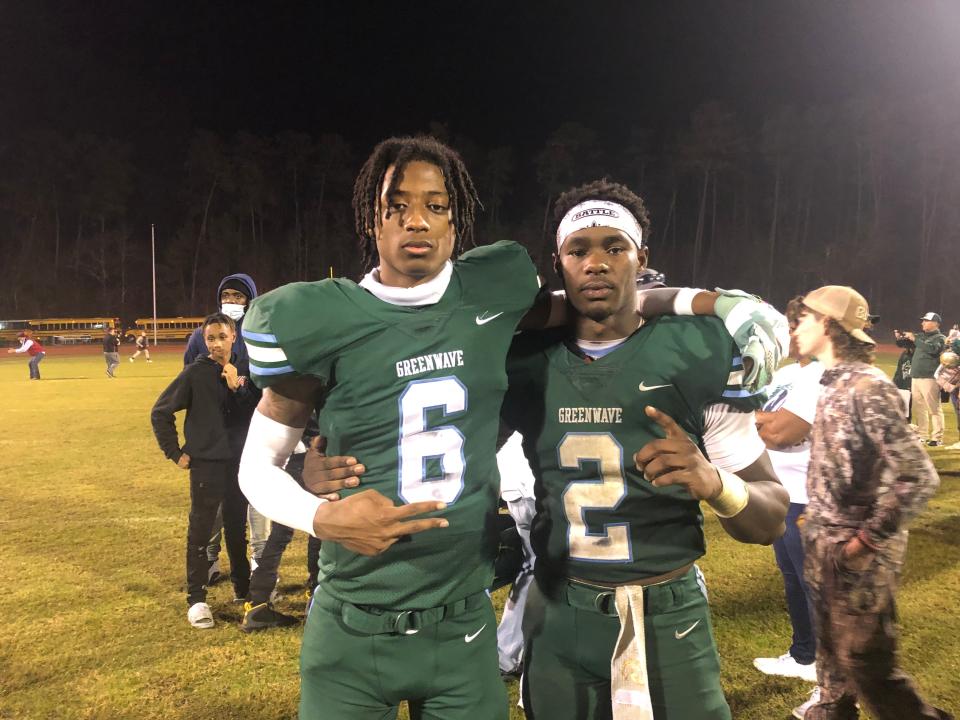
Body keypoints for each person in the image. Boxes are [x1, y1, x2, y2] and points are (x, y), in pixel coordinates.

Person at [238, 137, 786, 720]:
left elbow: (604, 304)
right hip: (370, 617)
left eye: (437, 205)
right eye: (395, 205)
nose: (416, 220)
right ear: (369, 218)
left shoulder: (496, 299)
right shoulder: (327, 317)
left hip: (473, 624)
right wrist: (316, 498)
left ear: (458, 219)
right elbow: (262, 463)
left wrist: (714, 304)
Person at [499, 180, 788, 720]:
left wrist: (716, 484)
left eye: (615, 246)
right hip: (557, 610)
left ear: (642, 257)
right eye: (578, 250)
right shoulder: (523, 362)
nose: (597, 263)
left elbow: (770, 518)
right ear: (559, 264)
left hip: (665, 612)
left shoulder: (697, 354)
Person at [791, 286, 951, 720]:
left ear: (828, 324)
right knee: (832, 667)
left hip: (857, 556)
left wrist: (864, 543)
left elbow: (918, 477)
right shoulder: (831, 384)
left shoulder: (867, 388)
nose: (797, 327)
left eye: (805, 318)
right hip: (826, 543)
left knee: (870, 670)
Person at [151, 312, 259, 628]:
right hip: (206, 467)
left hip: (238, 464)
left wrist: (236, 386)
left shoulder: (244, 373)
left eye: (222, 337)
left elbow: (255, 411)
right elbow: (160, 412)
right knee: (200, 531)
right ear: (204, 340)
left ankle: (243, 589)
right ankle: (197, 600)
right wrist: (175, 453)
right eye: (210, 338)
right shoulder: (194, 374)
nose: (216, 343)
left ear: (234, 337)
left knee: (237, 529)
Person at [752, 297, 823, 686]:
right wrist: (762, 420)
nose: (788, 334)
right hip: (783, 491)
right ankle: (804, 656)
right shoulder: (785, 375)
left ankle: (833, 672)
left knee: (815, 585)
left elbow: (782, 433)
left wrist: (760, 421)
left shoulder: (824, 374)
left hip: (812, 496)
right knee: (794, 579)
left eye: (795, 326)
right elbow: (752, 415)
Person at [184, 273, 265, 581]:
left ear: (250, 299)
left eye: (239, 296)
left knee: (256, 497)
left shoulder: (260, 333)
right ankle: (209, 559)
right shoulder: (199, 336)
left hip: (251, 429)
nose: (231, 301)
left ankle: (260, 561)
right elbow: (189, 380)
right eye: (227, 295)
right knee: (215, 501)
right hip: (216, 433)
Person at [904, 312, 946, 446]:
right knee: (919, 409)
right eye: (923, 321)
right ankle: (922, 435)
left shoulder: (940, 338)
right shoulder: (921, 336)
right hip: (915, 376)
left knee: (934, 409)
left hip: (929, 377)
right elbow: (902, 344)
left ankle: (937, 438)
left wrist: (915, 340)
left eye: (926, 321)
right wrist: (901, 338)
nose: (923, 323)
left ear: (936, 324)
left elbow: (933, 350)